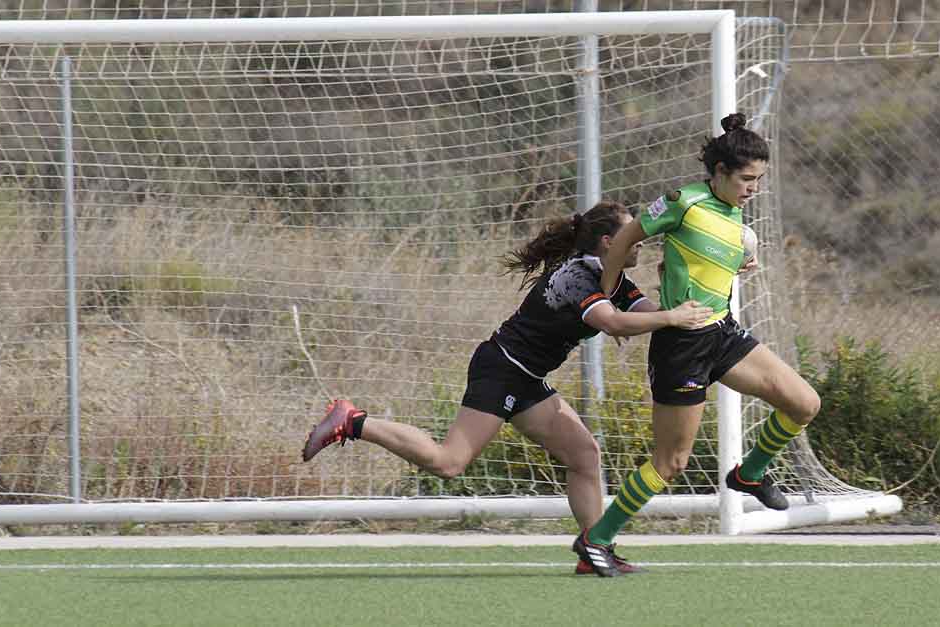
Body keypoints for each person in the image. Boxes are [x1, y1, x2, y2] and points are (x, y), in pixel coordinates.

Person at [300, 200, 712, 576]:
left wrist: (695, 283)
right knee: (449, 462)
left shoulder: (614, 278)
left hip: (527, 378)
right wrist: (671, 318)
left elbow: (650, 314)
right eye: (632, 236)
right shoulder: (577, 275)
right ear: (609, 242)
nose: (640, 241)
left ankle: (594, 550)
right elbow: (617, 323)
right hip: (502, 370)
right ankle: (353, 421)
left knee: (584, 455)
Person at [578, 112, 822, 577]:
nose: (754, 188)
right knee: (670, 462)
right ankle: (597, 540)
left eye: (759, 180)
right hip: (681, 345)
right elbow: (628, 235)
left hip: (722, 333)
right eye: (747, 179)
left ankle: (749, 473)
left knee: (804, 403)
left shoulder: (733, 215)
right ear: (720, 173)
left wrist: (735, 266)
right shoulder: (682, 202)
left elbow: (703, 260)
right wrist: (608, 295)